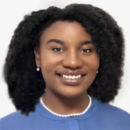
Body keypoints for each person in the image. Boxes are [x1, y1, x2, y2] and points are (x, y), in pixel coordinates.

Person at [0, 3, 130, 130]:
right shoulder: (7, 126)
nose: (72, 63)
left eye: (86, 50)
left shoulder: (124, 122)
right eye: (57, 49)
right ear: (38, 57)